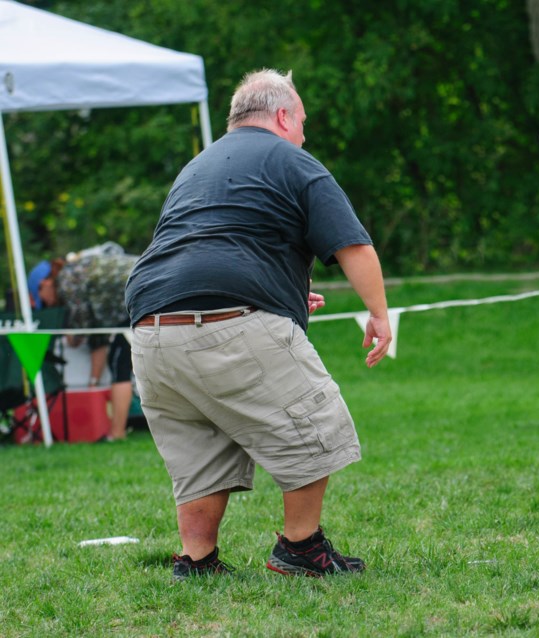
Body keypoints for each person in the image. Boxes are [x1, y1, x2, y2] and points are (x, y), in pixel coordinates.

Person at [124, 68, 392, 582]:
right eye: (303, 122)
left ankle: (197, 561)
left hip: (152, 324)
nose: (304, 135)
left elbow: (208, 244)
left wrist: (280, 293)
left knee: (197, 447)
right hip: (230, 319)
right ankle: (301, 548)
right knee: (317, 423)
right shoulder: (293, 160)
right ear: (284, 115)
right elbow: (351, 243)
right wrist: (378, 314)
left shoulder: (197, 167)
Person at [27, 242, 137, 441]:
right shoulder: (74, 270)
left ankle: (117, 433)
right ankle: (117, 431)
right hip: (139, 292)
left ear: (44, 284)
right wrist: (92, 383)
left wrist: (74, 335)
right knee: (119, 360)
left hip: (141, 293)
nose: (45, 304)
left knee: (119, 363)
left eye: (41, 299)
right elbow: (98, 334)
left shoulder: (67, 280)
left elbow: (85, 327)